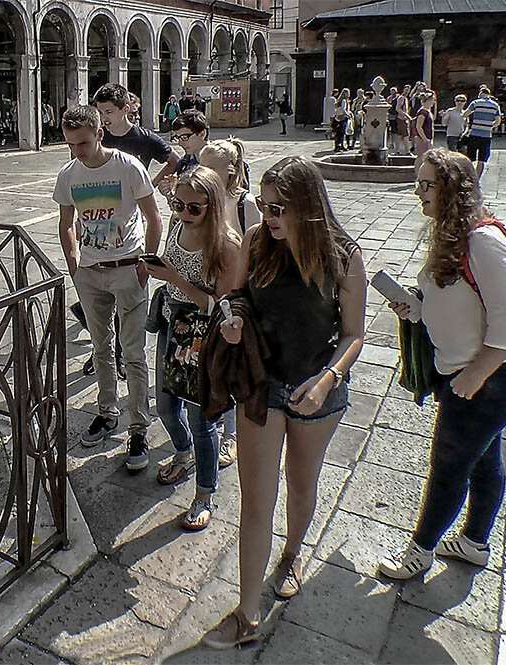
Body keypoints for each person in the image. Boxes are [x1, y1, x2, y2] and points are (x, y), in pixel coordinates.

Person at [202, 156, 366, 648]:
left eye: (278, 209)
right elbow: (236, 296)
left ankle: (292, 555)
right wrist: (231, 317)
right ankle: (248, 611)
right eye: (263, 206)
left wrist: (327, 380)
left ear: (307, 207)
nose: (268, 217)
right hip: (262, 385)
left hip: (319, 385)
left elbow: (355, 335)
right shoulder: (258, 243)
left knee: (300, 483)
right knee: (256, 501)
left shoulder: (342, 255)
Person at [379, 148, 506, 580]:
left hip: (487, 381)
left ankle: (420, 550)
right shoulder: (452, 235)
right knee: (483, 461)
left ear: (453, 189)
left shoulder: (482, 240)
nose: (419, 192)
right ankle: (475, 542)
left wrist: (475, 374)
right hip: (469, 376)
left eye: (427, 184)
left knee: (448, 466)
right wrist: (417, 309)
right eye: (419, 183)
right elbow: (458, 302)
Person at [54, 105, 163, 469]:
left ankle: (138, 427)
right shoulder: (69, 173)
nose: (77, 151)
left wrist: (147, 260)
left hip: (127, 267)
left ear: (100, 134)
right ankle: (107, 410)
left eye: (82, 143)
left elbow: (153, 216)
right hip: (90, 271)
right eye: (70, 144)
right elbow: (66, 220)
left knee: (132, 352)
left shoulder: (127, 166)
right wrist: (72, 259)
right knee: (100, 347)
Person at [145, 167, 244, 530]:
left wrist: (173, 277)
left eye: (193, 208)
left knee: (203, 420)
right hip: (172, 325)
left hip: (204, 334)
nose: (183, 213)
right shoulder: (177, 226)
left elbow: (221, 304)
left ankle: (205, 493)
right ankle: (183, 453)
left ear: (212, 206)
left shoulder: (226, 245)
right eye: (177, 204)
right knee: (167, 407)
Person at [190, 137, 262, 469]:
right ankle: (212, 418)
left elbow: (258, 247)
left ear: (230, 170)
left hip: (235, 292)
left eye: (207, 166)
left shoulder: (245, 203)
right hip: (207, 289)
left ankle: (230, 434)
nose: (199, 170)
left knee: (231, 363)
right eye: (198, 163)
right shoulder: (201, 197)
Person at [158, 110, 210, 197]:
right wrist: (171, 193)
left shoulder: (221, 162)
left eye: (184, 137)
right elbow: (183, 207)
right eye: (178, 138)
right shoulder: (184, 164)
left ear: (202, 134)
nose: (180, 143)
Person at [463, 86, 502, 180]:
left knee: (470, 158)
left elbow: (465, 114)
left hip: (474, 133)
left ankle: (470, 176)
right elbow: (498, 121)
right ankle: (477, 178)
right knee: (481, 160)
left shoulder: (476, 103)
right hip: (486, 135)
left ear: (480, 94)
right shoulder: (495, 105)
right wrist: (490, 126)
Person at [413, 90, 437, 169]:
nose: (433, 102)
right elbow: (419, 126)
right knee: (421, 157)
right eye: (432, 100)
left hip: (428, 138)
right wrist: (425, 139)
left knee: (426, 158)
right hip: (422, 138)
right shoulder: (422, 112)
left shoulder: (428, 111)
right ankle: (417, 174)